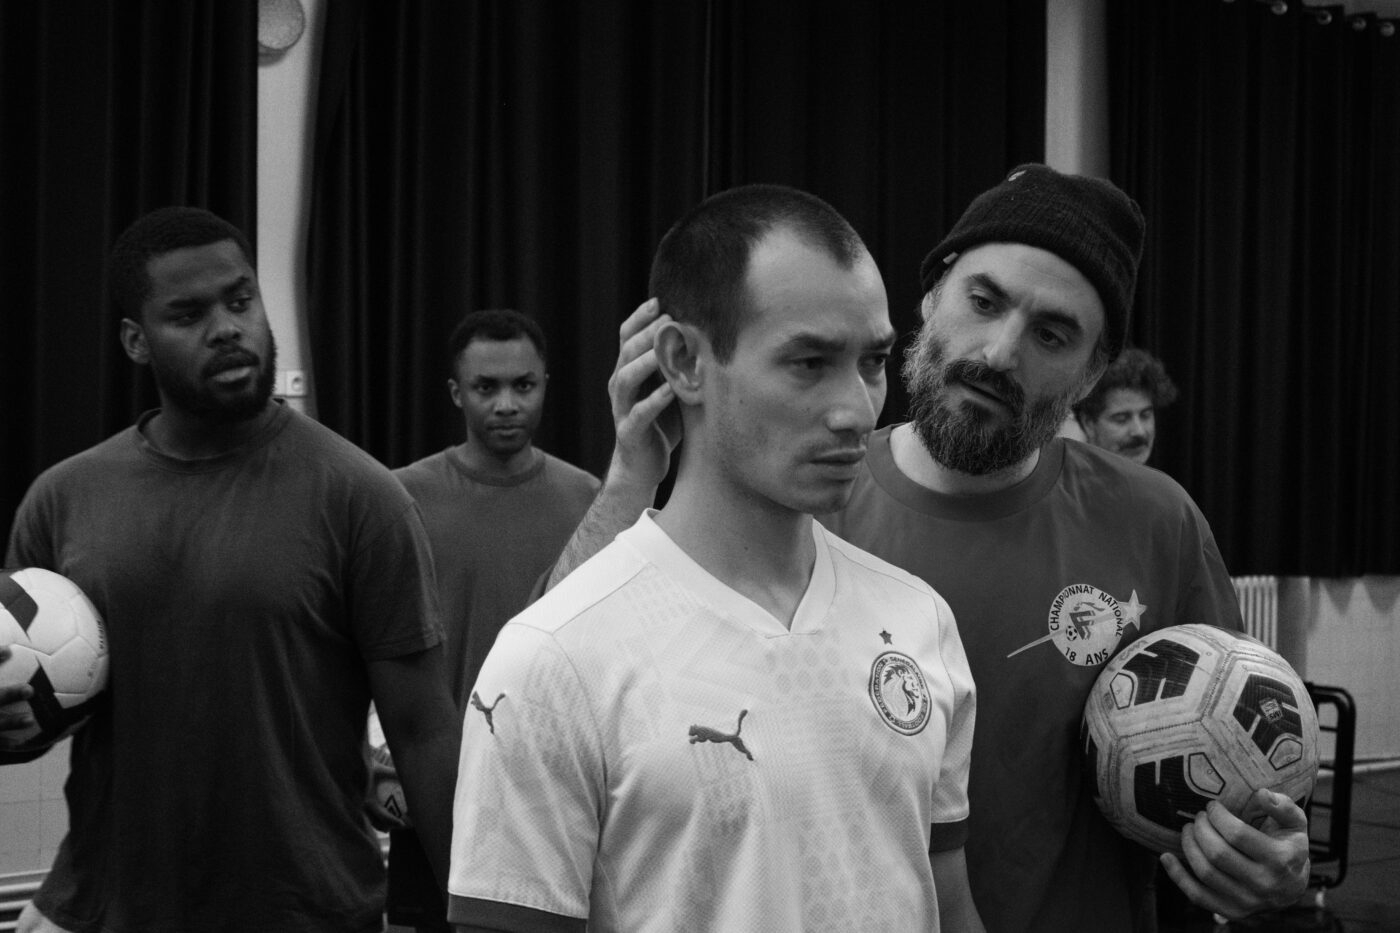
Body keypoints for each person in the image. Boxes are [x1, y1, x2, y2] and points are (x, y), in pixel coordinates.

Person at [543, 165, 1311, 931]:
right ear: (931, 296)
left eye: (1051, 334)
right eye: (983, 301)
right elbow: (553, 693)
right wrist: (631, 476)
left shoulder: (1156, 521)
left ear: (1091, 375)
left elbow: (1244, 767)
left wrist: (1275, 871)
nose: (999, 352)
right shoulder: (798, 498)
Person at [448, 184, 984, 932]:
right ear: (684, 361)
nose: (857, 410)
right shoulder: (553, 659)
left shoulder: (918, 618)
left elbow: (947, 907)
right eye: (808, 362)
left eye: (872, 361)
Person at [4, 206, 461, 933]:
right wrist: (11, 730)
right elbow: (34, 709)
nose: (227, 328)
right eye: (188, 314)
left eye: (241, 300)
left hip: (309, 912)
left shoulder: (362, 497)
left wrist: (473, 911)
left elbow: (423, 728)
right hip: (110, 909)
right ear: (135, 340)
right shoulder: (63, 499)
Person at [385, 309, 599, 933]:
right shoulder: (399, 499)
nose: (506, 404)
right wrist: (380, 762)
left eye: (523, 385)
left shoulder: (589, 501)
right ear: (457, 393)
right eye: (486, 387)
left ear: (545, 386)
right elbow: (370, 646)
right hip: (436, 794)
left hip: (553, 793)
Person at [1073, 345, 1179, 465]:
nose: (1139, 431)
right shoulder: (1070, 475)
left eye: (1145, 415)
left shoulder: (1157, 477)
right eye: (1121, 419)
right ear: (1088, 424)